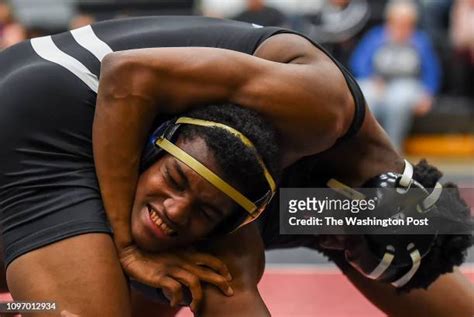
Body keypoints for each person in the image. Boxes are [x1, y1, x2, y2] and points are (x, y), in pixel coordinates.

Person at [0, 15, 472, 316]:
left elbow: (235, 284)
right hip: (52, 114)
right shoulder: (320, 111)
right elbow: (129, 75)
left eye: (349, 255)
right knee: (115, 289)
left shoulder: (352, 207)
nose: (330, 241)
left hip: (136, 145)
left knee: (188, 277)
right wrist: (125, 248)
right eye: (348, 242)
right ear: (363, 198)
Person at [350, 0, 441, 150]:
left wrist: (428, 94)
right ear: (389, 21)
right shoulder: (375, 37)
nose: (401, 28)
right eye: (397, 22)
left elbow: (432, 71)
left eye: (406, 24)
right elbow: (358, 62)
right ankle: (364, 147)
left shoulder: (420, 41)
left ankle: (392, 148)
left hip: (408, 84)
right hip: (377, 82)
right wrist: (371, 76)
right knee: (367, 95)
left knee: (398, 100)